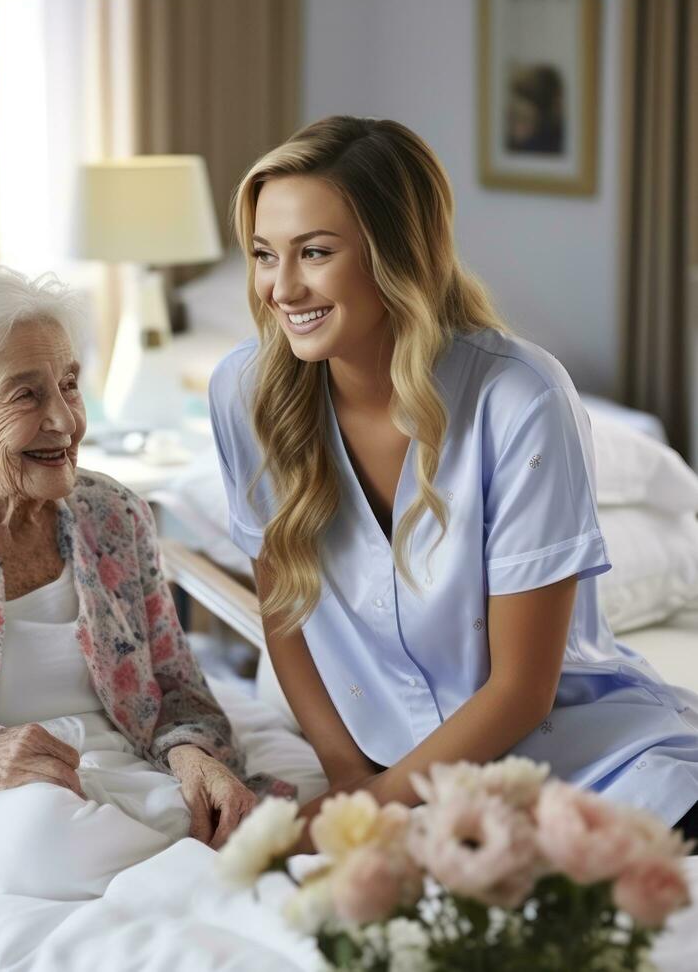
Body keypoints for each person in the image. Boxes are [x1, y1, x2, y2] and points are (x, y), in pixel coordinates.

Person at [208, 115, 698, 849]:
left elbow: (521, 690)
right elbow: (285, 610)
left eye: (315, 252)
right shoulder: (247, 392)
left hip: (584, 761)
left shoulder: (521, 399)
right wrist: (348, 781)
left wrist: (379, 806)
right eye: (262, 254)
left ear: (397, 253)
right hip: (384, 763)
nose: (282, 288)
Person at [0, 266, 291, 919]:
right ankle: (211, 881)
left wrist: (192, 753)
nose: (65, 419)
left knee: (225, 806)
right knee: (36, 838)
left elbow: (179, 688)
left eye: (69, 384)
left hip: (137, 780)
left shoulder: (112, 513)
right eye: (27, 395)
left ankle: (183, 878)